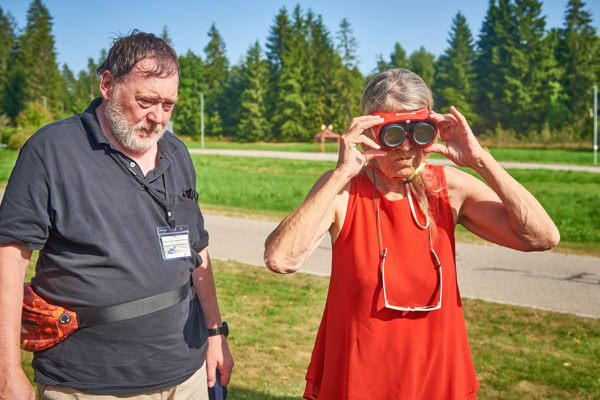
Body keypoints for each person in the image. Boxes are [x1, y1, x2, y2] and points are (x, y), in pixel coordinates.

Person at [264, 68, 560, 399]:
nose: (405, 146)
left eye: (419, 132)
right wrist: (340, 173)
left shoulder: (449, 188)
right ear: (370, 130)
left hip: (435, 372)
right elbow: (281, 259)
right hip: (361, 376)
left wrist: (480, 161)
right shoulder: (343, 190)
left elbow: (542, 237)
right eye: (392, 134)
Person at [0, 31, 233, 400]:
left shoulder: (177, 153)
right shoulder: (51, 151)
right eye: (145, 101)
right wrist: (6, 371)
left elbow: (197, 249)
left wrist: (215, 332)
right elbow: (9, 261)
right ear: (107, 84)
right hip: (88, 384)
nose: (157, 118)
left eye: (168, 105)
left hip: (185, 375)